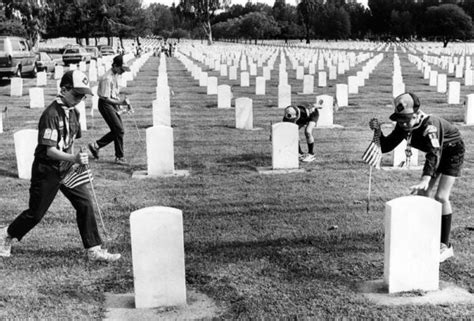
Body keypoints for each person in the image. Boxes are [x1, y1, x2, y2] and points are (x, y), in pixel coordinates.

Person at [0, 70, 121, 262]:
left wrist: (75, 157)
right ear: (63, 90)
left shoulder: (75, 112)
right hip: (47, 170)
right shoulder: (51, 114)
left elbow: (70, 140)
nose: (80, 99)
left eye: (83, 95)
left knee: (85, 203)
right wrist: (73, 158)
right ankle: (5, 234)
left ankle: (93, 249)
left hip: (66, 168)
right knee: (35, 214)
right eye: (76, 94)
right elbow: (49, 150)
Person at [370, 92, 465, 263]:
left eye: (407, 119)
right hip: (435, 155)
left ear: (417, 114)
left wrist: (426, 178)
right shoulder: (402, 126)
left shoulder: (431, 126)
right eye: (400, 119)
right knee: (424, 196)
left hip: (452, 151)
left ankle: (445, 245)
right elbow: (386, 146)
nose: (404, 123)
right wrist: (377, 130)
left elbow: (434, 153)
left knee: (441, 197)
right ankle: (426, 235)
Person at [88, 55, 132, 164]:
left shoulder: (115, 75)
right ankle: (119, 157)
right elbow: (106, 99)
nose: (123, 72)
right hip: (105, 105)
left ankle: (96, 145)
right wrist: (120, 102)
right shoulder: (106, 78)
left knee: (118, 130)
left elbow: (114, 93)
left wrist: (121, 105)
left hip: (112, 104)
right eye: (122, 69)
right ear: (116, 66)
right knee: (119, 130)